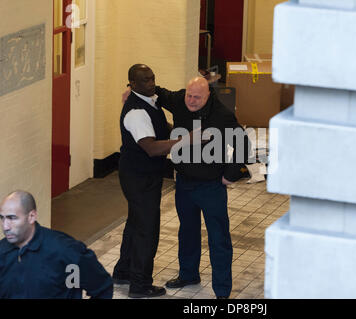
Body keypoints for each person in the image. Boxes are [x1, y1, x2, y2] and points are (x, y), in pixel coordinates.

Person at [124, 76, 251, 299]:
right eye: (189, 96)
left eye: (197, 97)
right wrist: (130, 92)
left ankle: (222, 290)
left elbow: (243, 144)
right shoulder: (180, 100)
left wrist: (231, 176)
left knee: (218, 239)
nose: (191, 101)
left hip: (212, 186)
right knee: (187, 232)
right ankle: (188, 274)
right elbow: (156, 89)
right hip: (184, 184)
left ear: (208, 96)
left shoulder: (222, 115)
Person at [112, 64, 193, 298]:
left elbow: (160, 128)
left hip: (141, 174)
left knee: (135, 224)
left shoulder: (151, 100)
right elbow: (151, 147)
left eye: (152, 78)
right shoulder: (136, 112)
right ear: (132, 84)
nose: (151, 83)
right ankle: (140, 285)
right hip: (139, 177)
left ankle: (123, 271)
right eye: (145, 81)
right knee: (147, 230)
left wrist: (178, 134)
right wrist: (186, 141)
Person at [0, 191, 113, 299]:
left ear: (31, 217)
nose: (5, 227)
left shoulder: (65, 250)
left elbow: (102, 288)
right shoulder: (2, 251)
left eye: (12, 218)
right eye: (2, 218)